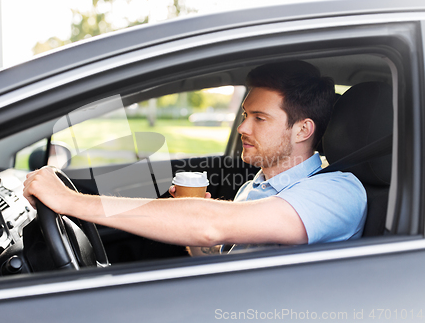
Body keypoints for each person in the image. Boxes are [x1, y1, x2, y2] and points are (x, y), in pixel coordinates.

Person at [23, 60, 367, 255]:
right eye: (245, 114)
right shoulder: (255, 188)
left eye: (259, 118)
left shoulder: (338, 191)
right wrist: (191, 230)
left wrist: (70, 201)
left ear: (302, 130)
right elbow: (214, 255)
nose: (243, 127)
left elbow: (208, 223)